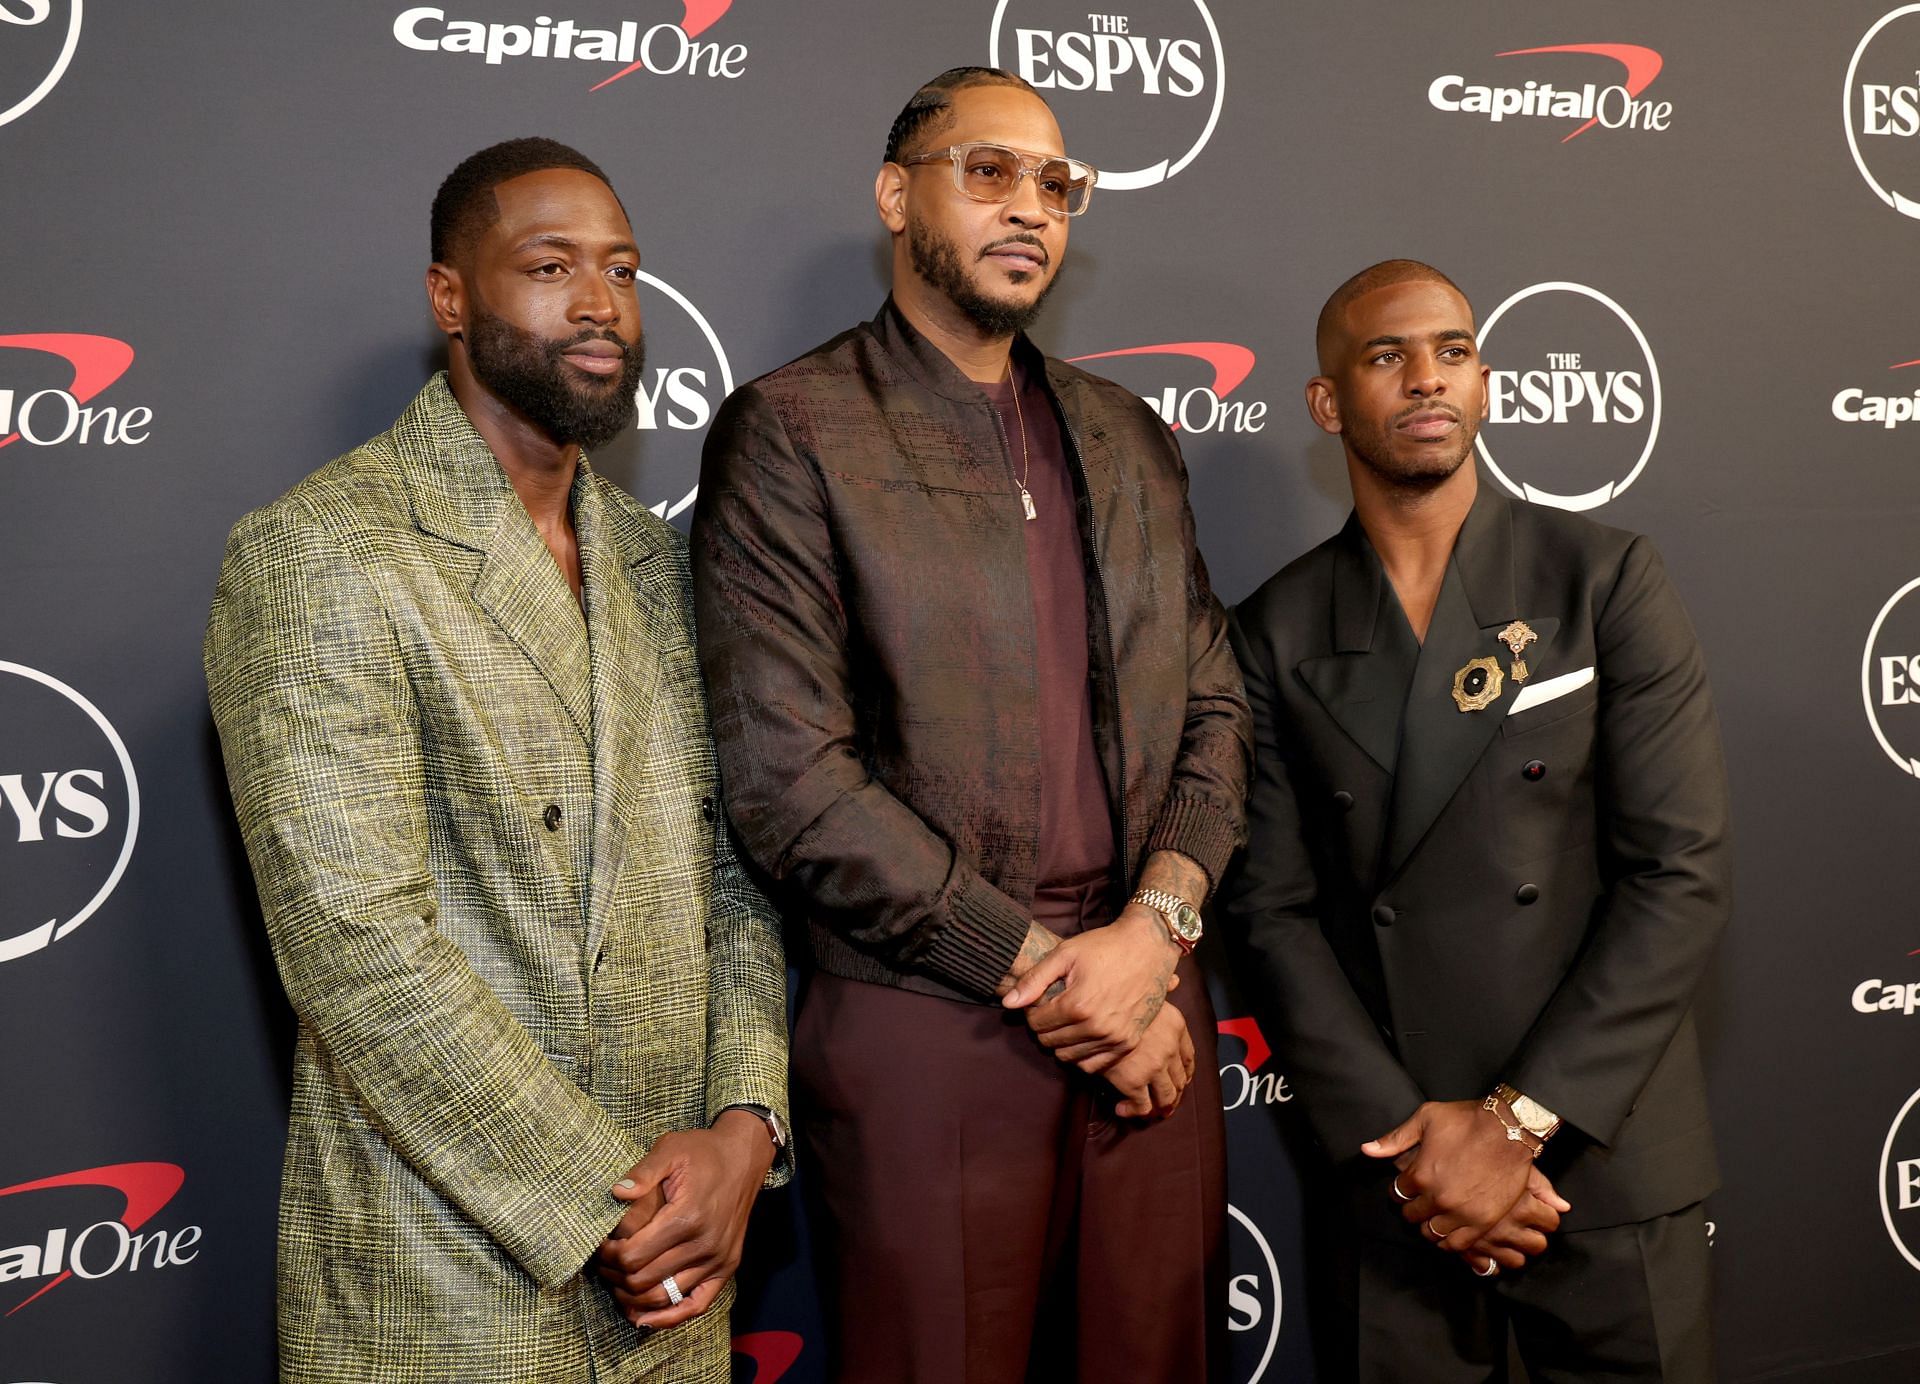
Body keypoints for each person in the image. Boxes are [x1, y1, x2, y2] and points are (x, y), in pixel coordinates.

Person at [691, 66, 1250, 1383]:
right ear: (896, 195)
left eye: (1056, 184)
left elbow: (1217, 706)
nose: (1030, 209)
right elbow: (790, 779)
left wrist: (1155, 928)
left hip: (1145, 1008)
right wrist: (1052, 969)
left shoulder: (1127, 436)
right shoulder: (792, 429)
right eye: (988, 171)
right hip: (927, 1020)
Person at [204, 137, 790, 1384]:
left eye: (623, 270)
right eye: (549, 265)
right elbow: (356, 946)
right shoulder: (322, 552)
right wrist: (612, 1199)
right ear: (450, 298)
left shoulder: (655, 561)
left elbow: (734, 877)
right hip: (445, 1286)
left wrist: (745, 1128)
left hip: (676, 1297)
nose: (599, 302)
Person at [1224, 259, 1730, 1380]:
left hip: (1602, 1161)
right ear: (1326, 402)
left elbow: (1678, 873)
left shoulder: (1602, 577)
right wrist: (1422, 1148)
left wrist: (1516, 1122)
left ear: (1487, 382)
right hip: (1403, 1181)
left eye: (1452, 351)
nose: (1427, 380)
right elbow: (1271, 912)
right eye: (1386, 355)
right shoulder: (1273, 629)